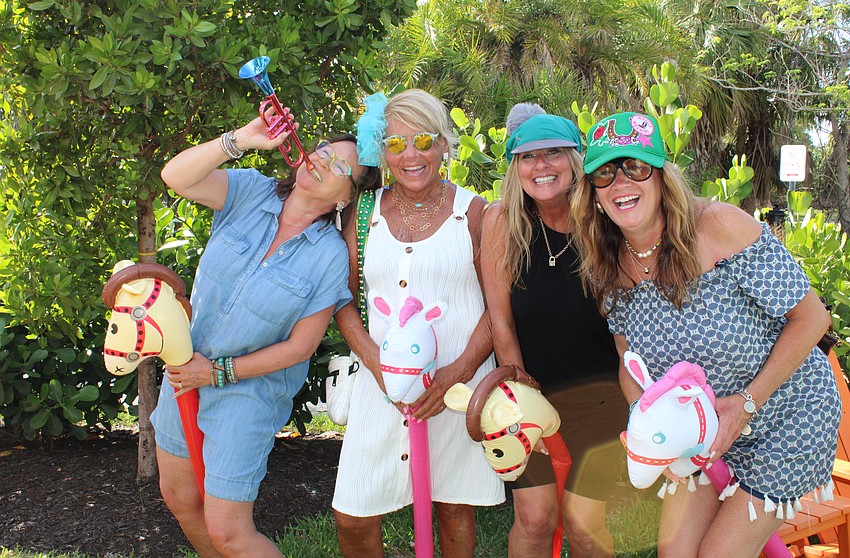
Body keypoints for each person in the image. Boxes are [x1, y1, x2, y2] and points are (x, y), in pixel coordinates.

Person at [570, 111, 841, 557]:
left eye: (635, 167)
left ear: (660, 175)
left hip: (785, 414)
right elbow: (628, 362)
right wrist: (650, 427)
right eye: (605, 173)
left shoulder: (718, 226)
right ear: (594, 194)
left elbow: (812, 319)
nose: (621, 182)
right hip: (696, 428)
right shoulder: (608, 267)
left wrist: (745, 406)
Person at [151, 112, 380, 558]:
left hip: (246, 393)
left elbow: (301, 346)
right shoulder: (251, 192)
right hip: (183, 369)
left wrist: (215, 373)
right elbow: (174, 176)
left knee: (229, 532)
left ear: (345, 199)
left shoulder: (330, 256)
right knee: (180, 499)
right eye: (324, 151)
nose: (321, 161)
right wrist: (241, 138)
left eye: (339, 167)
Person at [331, 89, 505, 557]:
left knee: (452, 507)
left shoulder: (475, 213)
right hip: (379, 386)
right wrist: (374, 363)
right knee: (353, 513)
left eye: (423, 140)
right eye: (395, 143)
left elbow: (498, 304)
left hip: (455, 385)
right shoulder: (362, 213)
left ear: (444, 146)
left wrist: (459, 372)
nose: (410, 154)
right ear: (381, 152)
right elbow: (342, 297)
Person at [480, 105, 626, 558]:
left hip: (601, 397)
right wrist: (521, 397)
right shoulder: (503, 222)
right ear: (514, 167)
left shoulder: (605, 220)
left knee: (583, 528)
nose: (540, 166)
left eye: (553, 153)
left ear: (575, 160)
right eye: (527, 156)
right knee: (536, 518)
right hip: (531, 394)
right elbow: (500, 319)